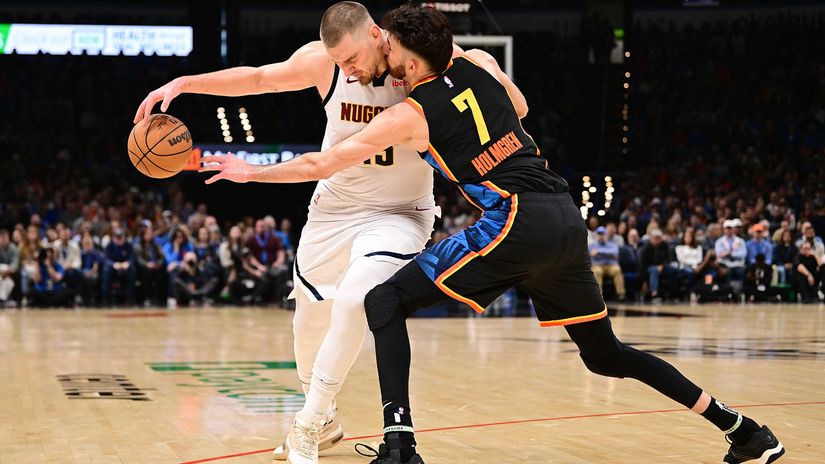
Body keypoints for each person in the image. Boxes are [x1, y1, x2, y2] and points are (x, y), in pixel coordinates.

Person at [199, 6, 784, 464]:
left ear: (408, 56)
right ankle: (743, 429)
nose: (387, 61)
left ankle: (399, 447)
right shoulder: (479, 64)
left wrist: (250, 170)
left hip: (515, 219)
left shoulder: (409, 111)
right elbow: (520, 105)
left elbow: (321, 164)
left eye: (393, 53)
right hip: (563, 215)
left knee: (382, 300)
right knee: (607, 356)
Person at [135, 2, 454, 461]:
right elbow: (260, 78)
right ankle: (324, 419)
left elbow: (484, 75)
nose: (346, 69)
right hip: (334, 208)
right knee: (308, 321)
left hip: (398, 212)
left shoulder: (418, 57)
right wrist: (185, 83)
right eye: (339, 62)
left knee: (356, 299)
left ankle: (306, 423)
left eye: (351, 59)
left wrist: (500, 82)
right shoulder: (327, 65)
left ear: (375, 35)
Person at [589, 226, 625, 300]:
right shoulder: (592, 245)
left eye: (602, 234)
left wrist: (599, 252)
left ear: (606, 235)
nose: (601, 236)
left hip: (610, 266)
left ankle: (621, 294)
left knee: (617, 270)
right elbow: (592, 253)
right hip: (597, 265)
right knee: (597, 271)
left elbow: (615, 253)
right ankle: (599, 295)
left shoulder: (611, 244)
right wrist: (608, 253)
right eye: (599, 234)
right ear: (596, 235)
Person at [102, 228, 136, 305]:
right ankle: (106, 298)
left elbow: (132, 258)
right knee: (106, 270)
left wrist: (127, 263)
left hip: (125, 267)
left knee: (132, 270)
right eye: (117, 237)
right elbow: (106, 259)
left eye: (121, 237)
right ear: (113, 238)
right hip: (113, 267)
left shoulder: (128, 245)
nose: (119, 239)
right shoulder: (109, 246)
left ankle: (129, 297)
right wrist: (113, 264)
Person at [0, 230, 20, 306]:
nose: (3, 240)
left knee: (8, 282)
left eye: (5, 237)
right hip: (0, 273)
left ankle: (3, 300)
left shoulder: (13, 248)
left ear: (8, 238)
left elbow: (15, 264)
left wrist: (8, 271)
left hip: (11, 274)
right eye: (1, 238)